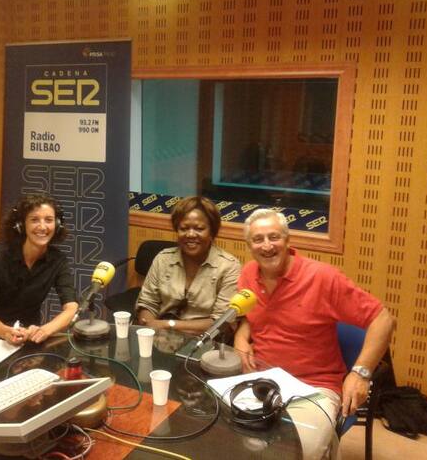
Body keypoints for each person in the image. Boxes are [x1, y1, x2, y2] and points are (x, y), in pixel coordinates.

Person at [234, 208, 395, 459]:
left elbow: (383, 319)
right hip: (262, 380)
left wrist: (360, 373)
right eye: (258, 239)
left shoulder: (323, 277)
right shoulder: (248, 274)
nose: (267, 246)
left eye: (274, 237)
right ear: (249, 246)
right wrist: (241, 337)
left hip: (314, 387)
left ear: (288, 240)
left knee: (291, 452)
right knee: (228, 440)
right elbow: (254, 316)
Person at [0, 194, 78, 345]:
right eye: (34, 220)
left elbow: (71, 308)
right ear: (21, 225)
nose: (42, 227)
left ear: (57, 225)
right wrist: (6, 332)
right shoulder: (0, 255)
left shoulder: (58, 261)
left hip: (24, 329)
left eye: (49, 220)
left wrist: (45, 330)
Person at [136, 196, 241, 335]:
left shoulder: (229, 266)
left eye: (199, 228)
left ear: (212, 231)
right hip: (160, 338)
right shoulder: (163, 259)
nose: (190, 234)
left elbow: (221, 323)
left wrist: (168, 325)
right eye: (184, 228)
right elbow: (147, 303)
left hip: (204, 342)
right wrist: (148, 324)